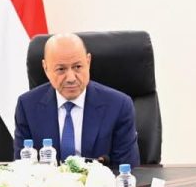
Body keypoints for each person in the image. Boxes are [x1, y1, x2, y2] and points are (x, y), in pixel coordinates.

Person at [13, 33, 140, 168]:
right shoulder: (27, 106)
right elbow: (23, 169)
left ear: (88, 62)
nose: (71, 78)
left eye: (77, 67)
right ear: (46, 68)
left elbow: (127, 170)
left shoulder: (119, 106)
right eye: (61, 69)